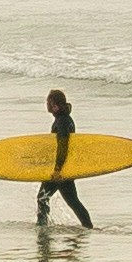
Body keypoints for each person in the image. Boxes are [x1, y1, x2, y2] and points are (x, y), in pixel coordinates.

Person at [37, 86, 94, 228]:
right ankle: (88, 227)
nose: (47, 105)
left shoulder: (62, 121)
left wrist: (57, 169)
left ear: (55, 105)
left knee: (42, 197)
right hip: (66, 168)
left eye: (48, 102)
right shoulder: (65, 119)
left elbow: (63, 146)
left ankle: (42, 227)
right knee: (73, 201)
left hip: (61, 170)